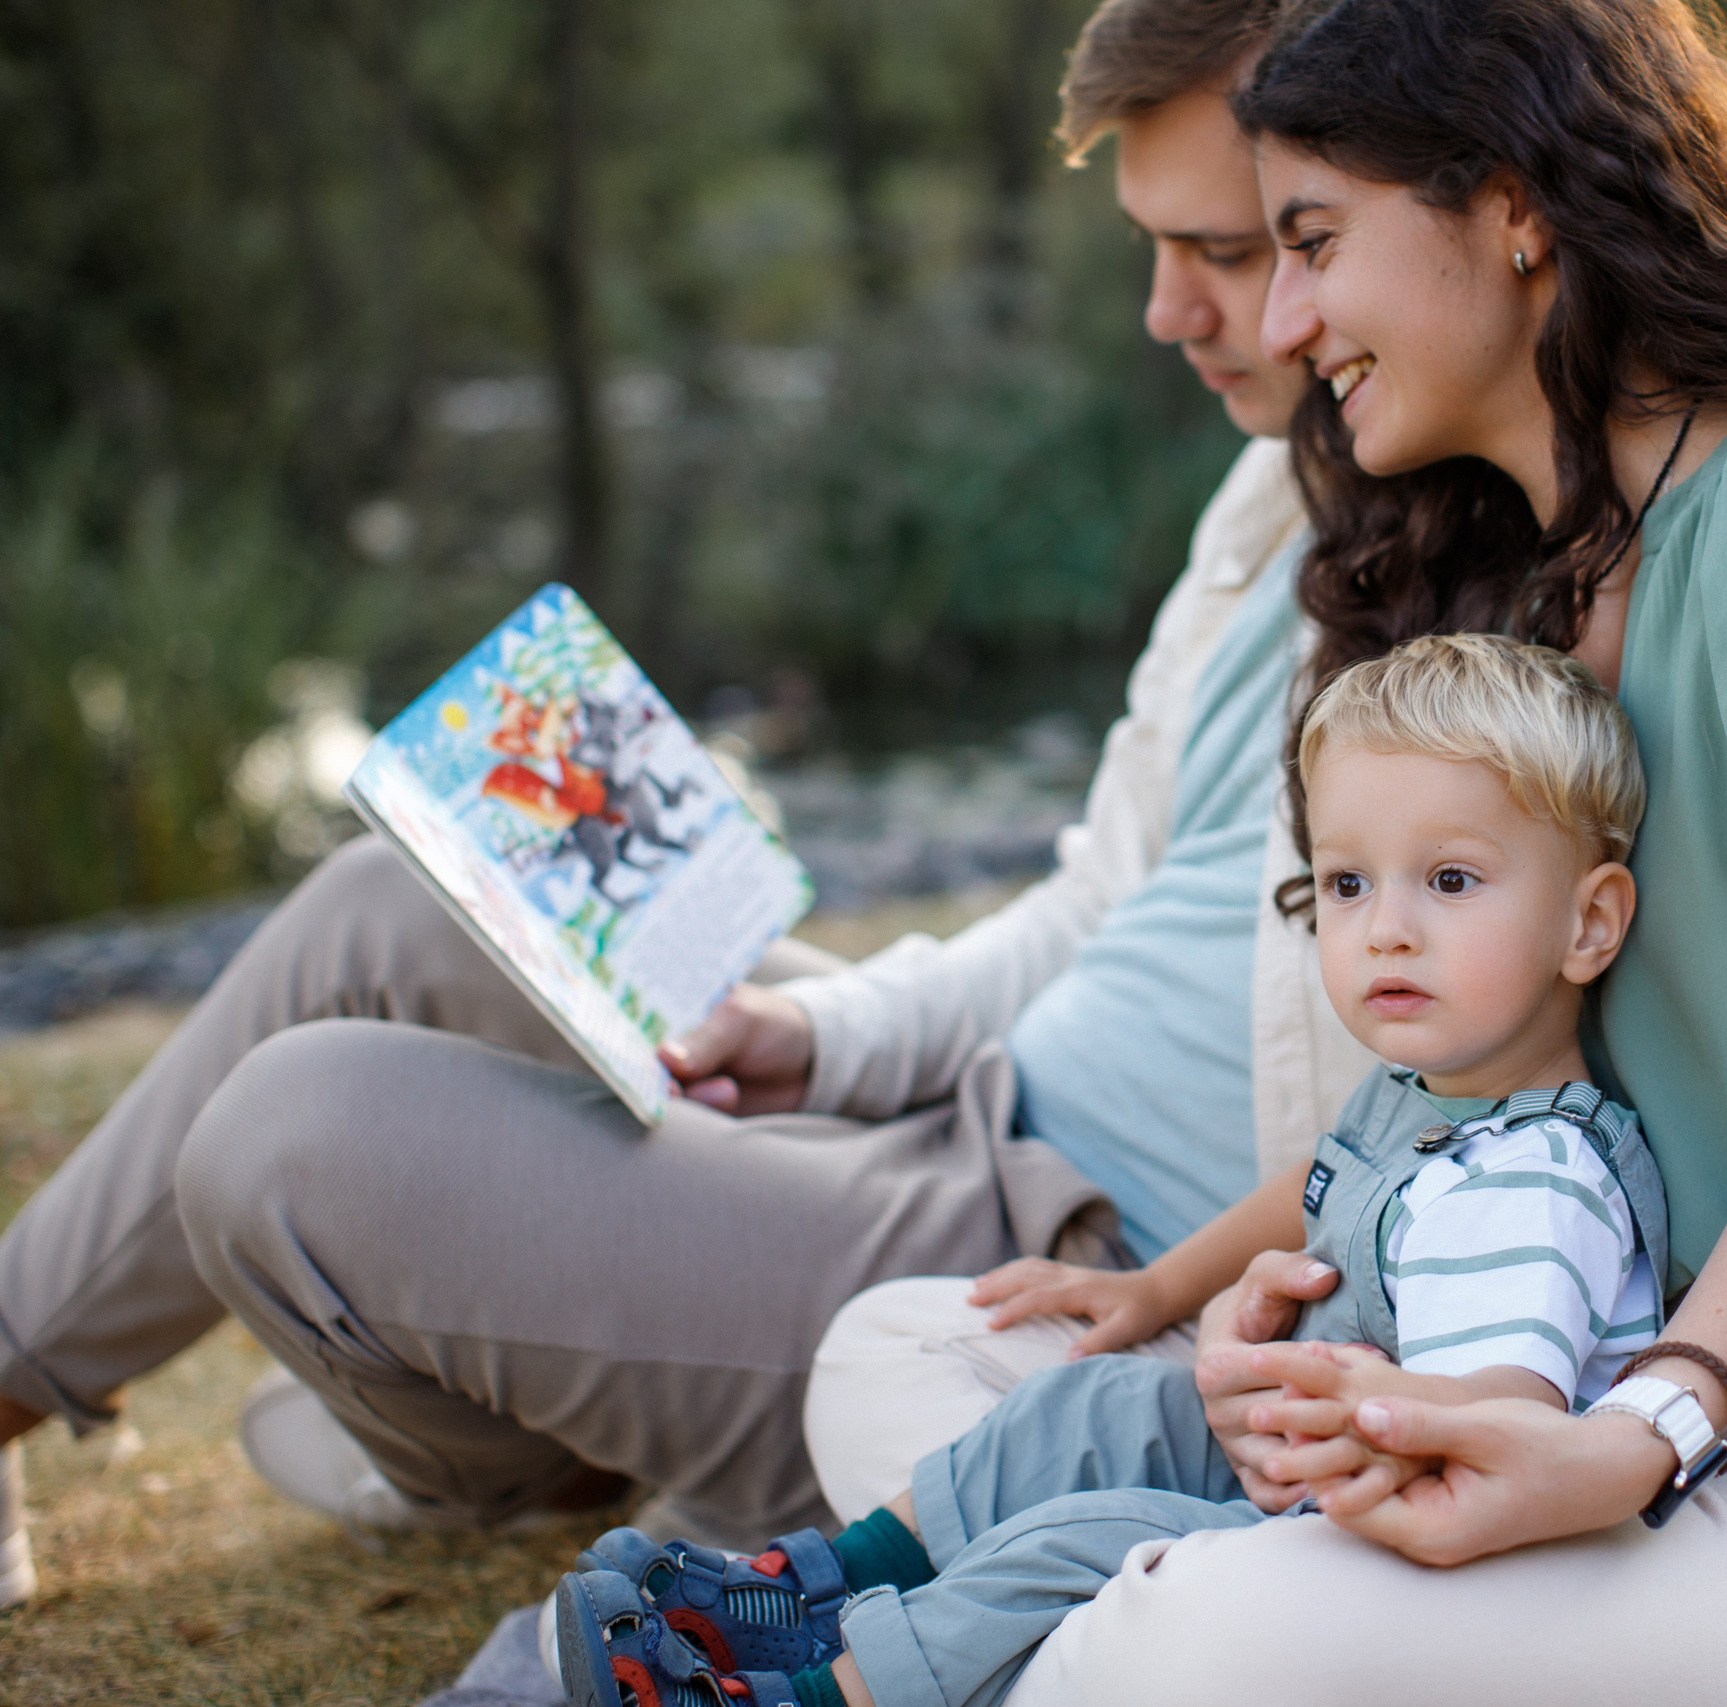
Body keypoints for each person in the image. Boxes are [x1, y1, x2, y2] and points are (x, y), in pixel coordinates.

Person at [811, 2, 1727, 1702]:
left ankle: (1140, 1597)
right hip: (1584, 1368)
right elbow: (1472, 1108)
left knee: (1172, 1645)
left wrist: (1647, 1430)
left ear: (1512, 204)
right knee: (907, 1353)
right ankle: (1157, 1572)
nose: (1286, 321)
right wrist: (1215, 1312)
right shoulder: (1517, 605)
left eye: (1314, 243)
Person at [0, 0, 1355, 1601]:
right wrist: (831, 1036)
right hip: (971, 1104)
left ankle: (530, 1426)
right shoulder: (1275, 494)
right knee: (400, 900)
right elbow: (1098, 898)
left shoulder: (1530, 562)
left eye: (1227, 246)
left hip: (1068, 1263)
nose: (1161, 309)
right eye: (1154, 244)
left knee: (289, 1141)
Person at [552, 632, 1668, 1707]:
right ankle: (809, 1592)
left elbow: (1499, 1430)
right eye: (1346, 884)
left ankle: (819, 1694)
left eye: (1452, 881)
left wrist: (1323, 1408)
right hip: (1324, 1465)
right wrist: (1159, 1292)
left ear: (1588, 923)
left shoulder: (1537, 1180)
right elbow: (1310, 1188)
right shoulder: (1428, 1098)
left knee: (1099, 1538)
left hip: (1424, 1547)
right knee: (1085, 1406)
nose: (1385, 929)